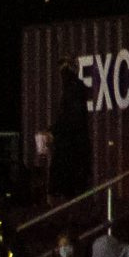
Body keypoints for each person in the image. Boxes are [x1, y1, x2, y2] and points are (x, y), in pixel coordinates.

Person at [49, 64, 93, 203]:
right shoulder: (77, 90)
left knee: (68, 180)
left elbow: (68, 118)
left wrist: (54, 131)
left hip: (70, 147)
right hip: (77, 147)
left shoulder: (72, 91)